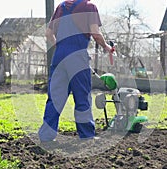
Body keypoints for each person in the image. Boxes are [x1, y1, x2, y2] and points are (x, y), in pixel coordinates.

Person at [38, 0, 113, 142]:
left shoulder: (61, 7)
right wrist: (107, 47)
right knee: (82, 97)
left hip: (59, 57)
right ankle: (86, 136)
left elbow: (48, 33)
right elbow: (95, 33)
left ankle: (46, 136)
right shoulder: (89, 6)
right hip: (78, 57)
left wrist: (60, 47)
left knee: (55, 98)